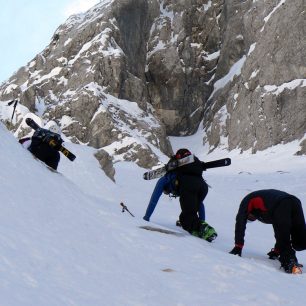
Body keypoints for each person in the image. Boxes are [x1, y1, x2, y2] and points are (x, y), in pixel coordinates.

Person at [144, 148, 217, 242]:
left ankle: (205, 229)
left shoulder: (166, 178)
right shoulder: (190, 170)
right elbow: (200, 204)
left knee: (186, 219)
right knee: (193, 209)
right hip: (203, 186)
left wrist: (146, 217)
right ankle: (201, 226)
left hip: (188, 187)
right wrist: (202, 220)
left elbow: (154, 199)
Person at [229, 189, 306, 274]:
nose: (253, 219)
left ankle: (290, 263)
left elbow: (240, 223)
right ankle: (290, 258)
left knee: (284, 238)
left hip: (283, 203)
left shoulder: (247, 201)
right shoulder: (267, 209)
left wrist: (238, 246)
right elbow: (280, 228)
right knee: (301, 242)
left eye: (250, 218)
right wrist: (277, 251)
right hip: (294, 201)